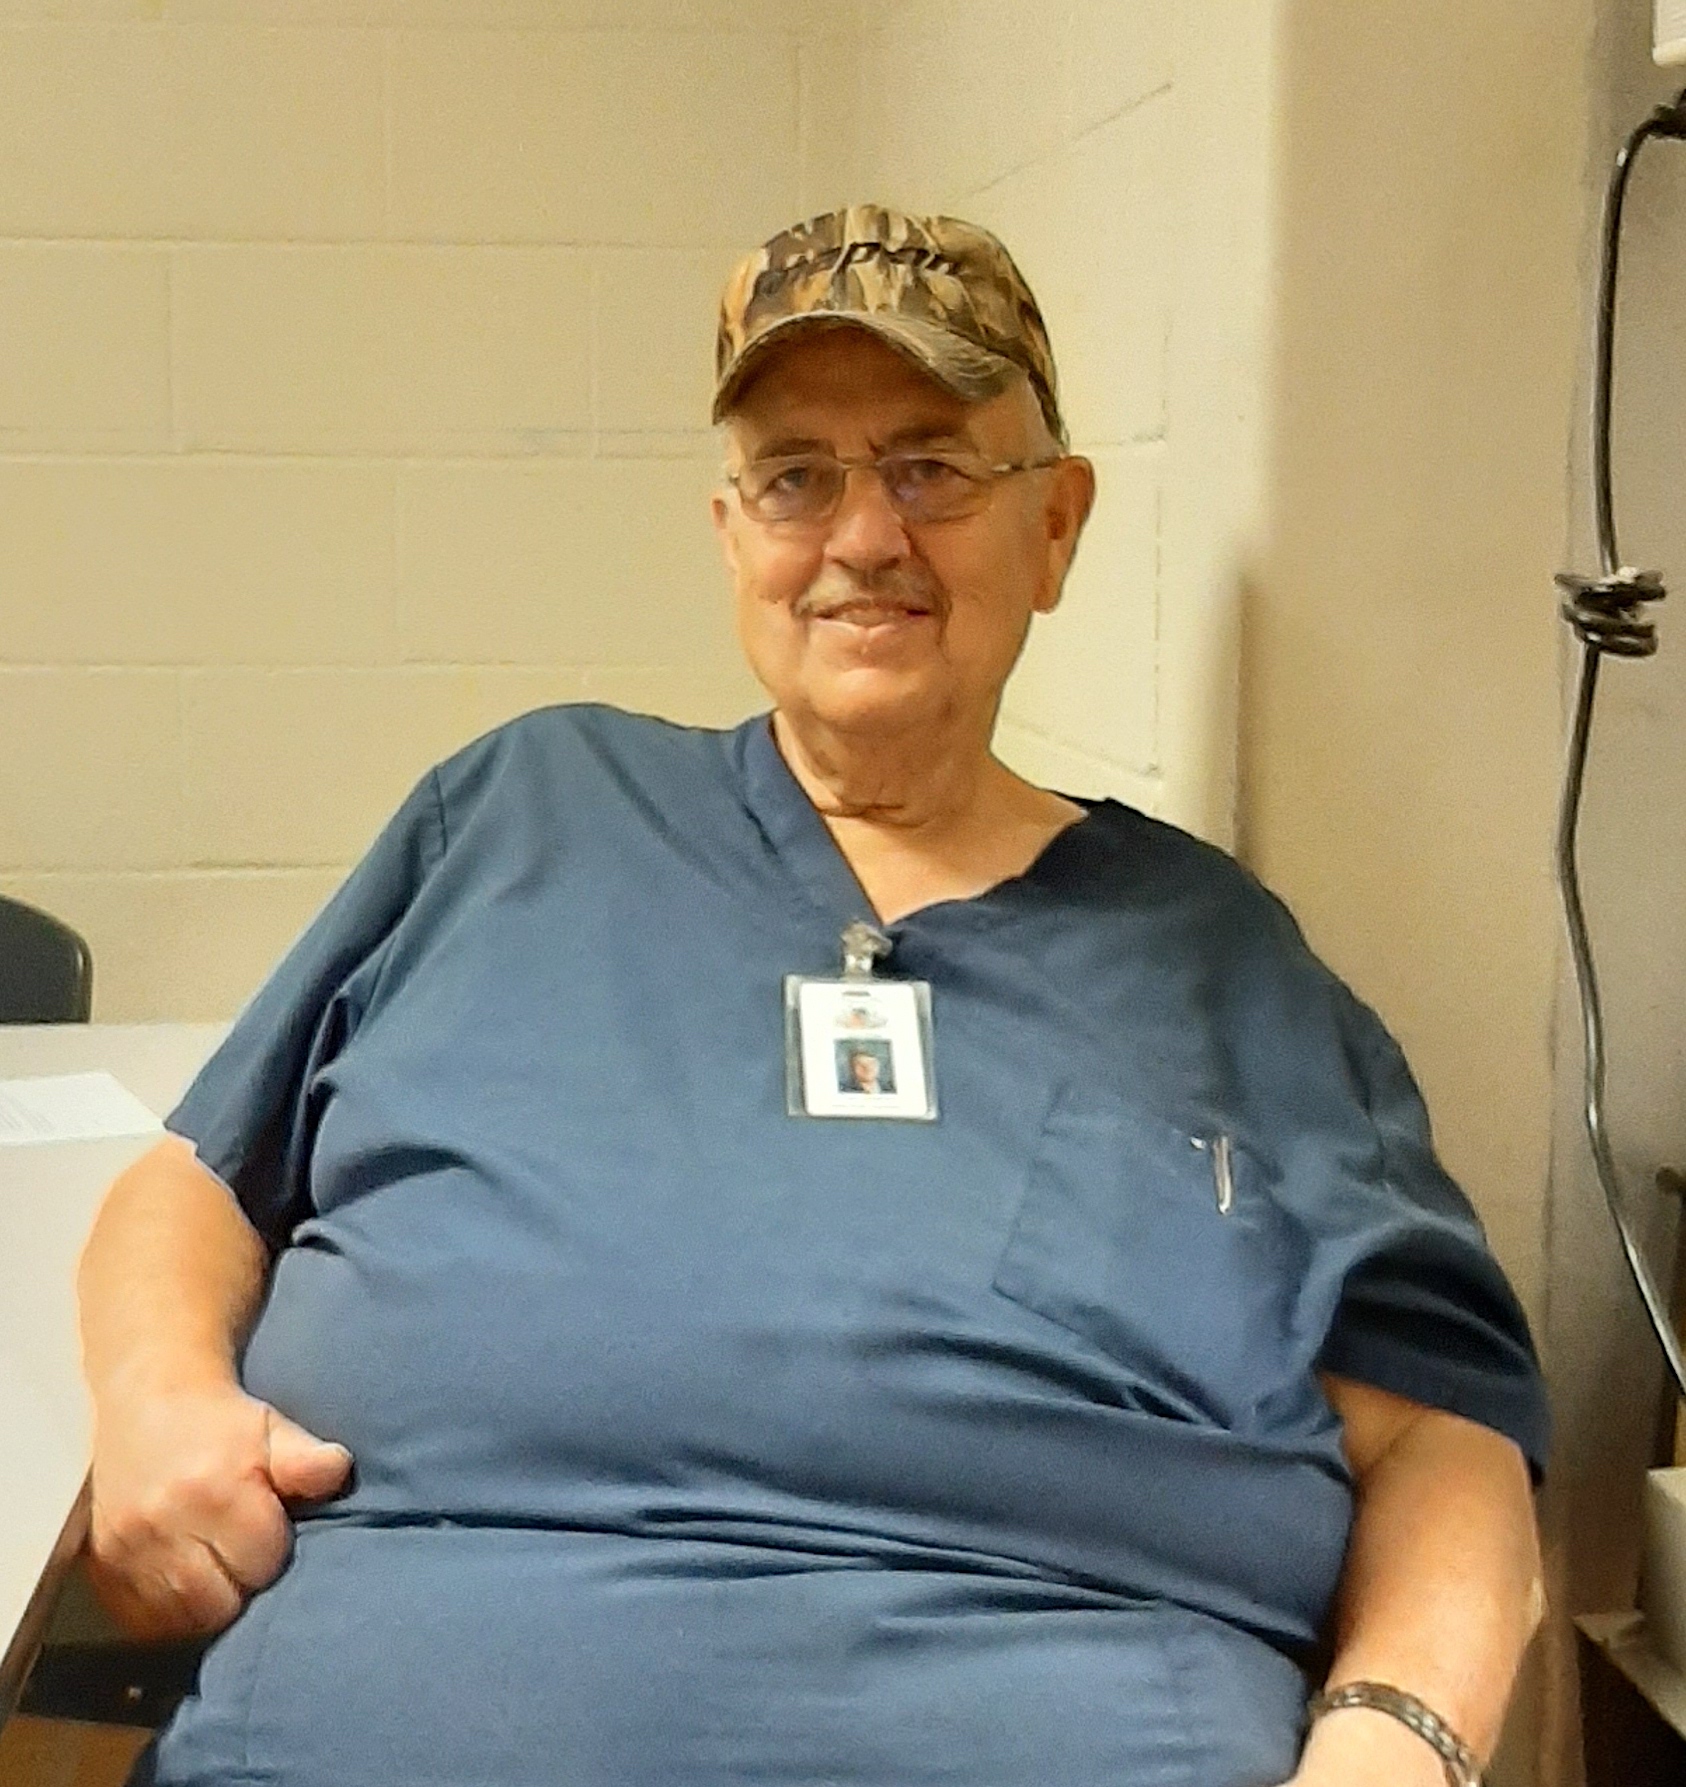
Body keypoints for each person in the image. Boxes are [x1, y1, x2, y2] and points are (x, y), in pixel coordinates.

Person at [79, 207, 1547, 1787]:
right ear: (731, 535)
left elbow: (1440, 1434)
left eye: (930, 467)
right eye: (796, 477)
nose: (862, 537)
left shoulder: (1218, 960)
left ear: (1054, 525)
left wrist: (1396, 1741)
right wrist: (155, 1397)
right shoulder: (518, 818)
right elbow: (199, 1178)